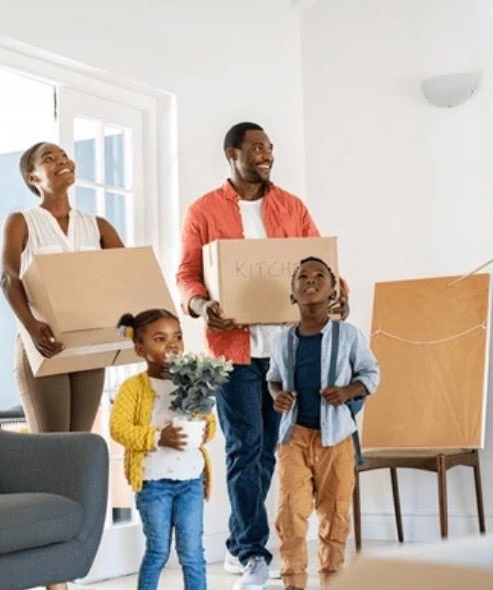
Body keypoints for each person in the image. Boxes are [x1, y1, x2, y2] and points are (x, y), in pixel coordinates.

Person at [176, 122, 348, 590]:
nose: (266, 154)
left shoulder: (291, 206)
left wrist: (340, 292)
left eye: (270, 147)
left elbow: (322, 264)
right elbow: (188, 275)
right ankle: (252, 551)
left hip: (287, 351)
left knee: (269, 448)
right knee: (243, 446)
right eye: (256, 148)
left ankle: (237, 544)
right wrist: (201, 306)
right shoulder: (204, 210)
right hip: (233, 352)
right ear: (233, 154)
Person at [267, 257, 379, 589]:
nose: (310, 281)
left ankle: (333, 578)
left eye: (320, 276)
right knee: (290, 514)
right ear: (292, 293)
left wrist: (348, 391)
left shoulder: (348, 336)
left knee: (335, 515)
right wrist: (277, 395)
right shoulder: (282, 340)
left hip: (337, 438)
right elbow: (273, 379)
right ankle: (293, 581)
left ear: (333, 292)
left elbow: (371, 373)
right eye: (302, 276)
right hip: (294, 437)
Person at [0, 141, 124, 433]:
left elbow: (125, 278)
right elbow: (8, 277)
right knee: (52, 445)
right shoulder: (22, 222)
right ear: (33, 178)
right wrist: (32, 326)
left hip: (89, 344)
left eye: (65, 156)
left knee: (79, 443)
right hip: (44, 342)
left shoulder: (98, 226)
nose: (63, 161)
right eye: (49, 158)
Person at [110, 309, 215, 590]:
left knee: (193, 553)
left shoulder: (192, 381)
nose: (172, 344)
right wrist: (158, 438)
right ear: (140, 349)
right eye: (160, 338)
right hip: (153, 483)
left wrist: (205, 429)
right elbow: (118, 428)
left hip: (191, 481)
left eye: (177, 337)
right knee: (158, 551)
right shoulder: (133, 388)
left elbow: (209, 422)